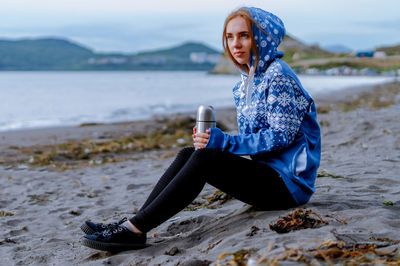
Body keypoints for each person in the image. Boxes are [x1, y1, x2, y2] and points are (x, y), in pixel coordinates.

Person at [80, 6, 321, 252]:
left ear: (262, 38)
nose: (235, 44)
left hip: (290, 185)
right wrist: (213, 140)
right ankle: (133, 224)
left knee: (207, 158)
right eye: (229, 37)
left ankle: (133, 228)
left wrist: (224, 143)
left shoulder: (277, 76)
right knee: (189, 153)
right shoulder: (245, 83)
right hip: (268, 175)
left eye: (244, 35)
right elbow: (253, 138)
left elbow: (281, 136)